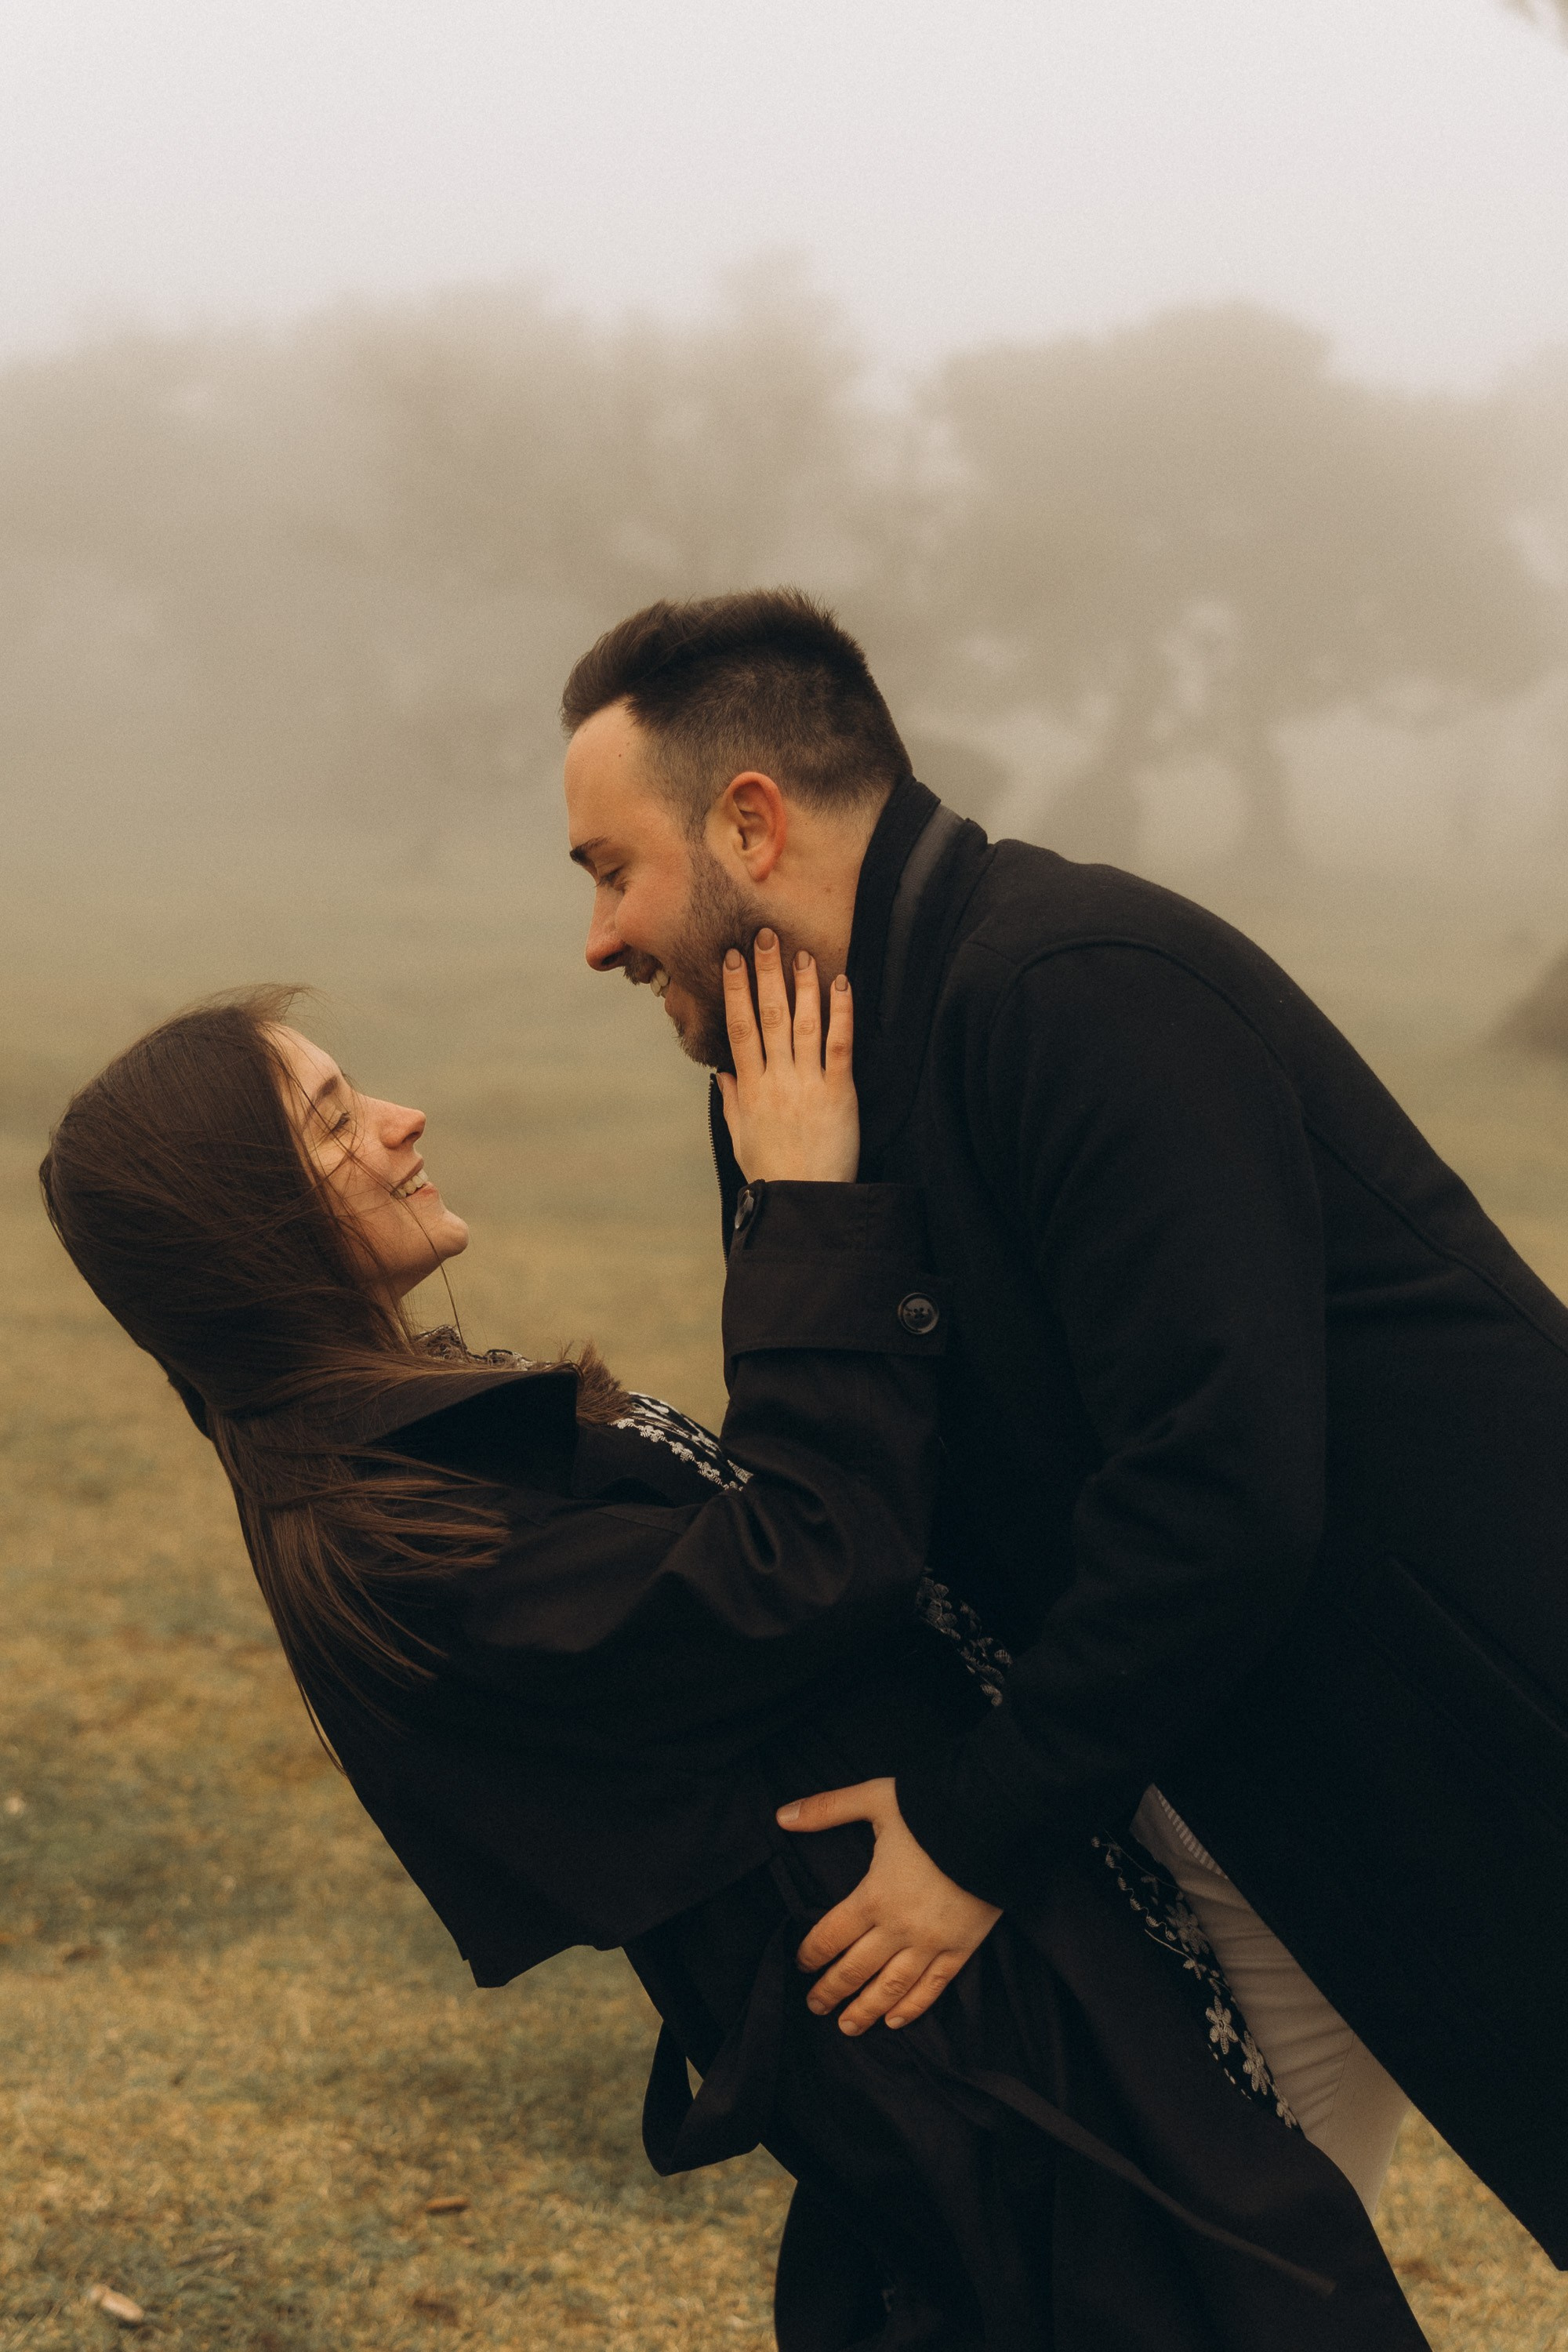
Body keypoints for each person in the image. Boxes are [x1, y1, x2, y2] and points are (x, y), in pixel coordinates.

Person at [38, 977, 1425, 2349]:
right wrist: (805, 1204)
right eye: (335, 1122)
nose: (402, 1120)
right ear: (248, 1232)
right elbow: (810, 1561)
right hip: (958, 2037)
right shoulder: (394, 1548)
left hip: (979, 1986)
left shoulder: (405, 1451)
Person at [561, 586, 1568, 2261]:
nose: (599, 938)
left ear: (749, 823)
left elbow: (1221, 1487)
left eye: (611, 870)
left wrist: (976, 1826)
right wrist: (809, 1220)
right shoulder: (797, 1089)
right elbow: (856, 1507)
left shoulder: (1082, 988)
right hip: (1231, 1769)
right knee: (1201, 2273)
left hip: (1477, 1741)